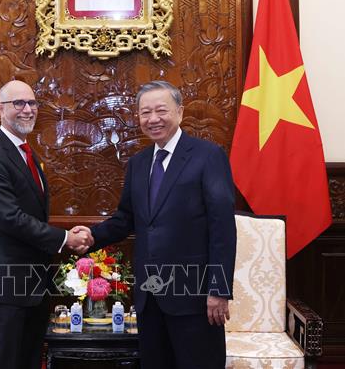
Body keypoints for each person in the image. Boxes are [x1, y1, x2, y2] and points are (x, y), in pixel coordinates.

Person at [89, 80, 237, 369]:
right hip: (149, 296)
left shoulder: (208, 156)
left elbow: (222, 228)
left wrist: (218, 289)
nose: (153, 119)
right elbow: (125, 219)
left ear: (180, 112)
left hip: (194, 296)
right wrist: (88, 236)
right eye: (145, 112)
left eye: (161, 110)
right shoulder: (139, 163)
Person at [0, 80, 93, 369]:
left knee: (29, 361)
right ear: (0, 109)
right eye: (18, 103)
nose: (27, 109)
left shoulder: (26, 152)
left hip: (34, 284)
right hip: (6, 285)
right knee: (6, 363)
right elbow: (10, 218)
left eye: (32, 103)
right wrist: (65, 238)